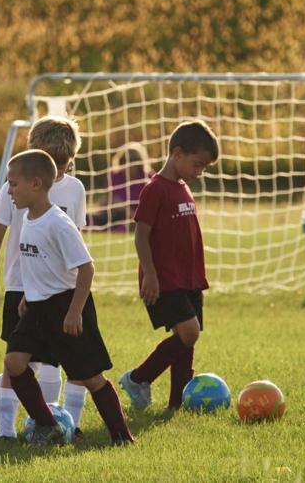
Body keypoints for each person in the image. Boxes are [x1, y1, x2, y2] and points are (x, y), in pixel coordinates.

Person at [0, 150, 134, 445]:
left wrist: (74, 312)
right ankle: (49, 427)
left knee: (90, 376)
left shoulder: (58, 223)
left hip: (67, 306)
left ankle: (122, 437)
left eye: (14, 184)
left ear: (35, 184)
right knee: (14, 362)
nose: (9, 191)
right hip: (36, 307)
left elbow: (86, 269)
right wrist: (28, 297)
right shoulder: (28, 218)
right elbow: (36, 262)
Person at [0, 117, 88, 441]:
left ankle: (54, 424)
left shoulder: (76, 189)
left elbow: (76, 241)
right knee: (17, 361)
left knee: (54, 360)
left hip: (57, 288)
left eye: (65, 165)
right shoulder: (13, 187)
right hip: (20, 285)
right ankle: (5, 431)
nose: (60, 173)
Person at [119, 120, 218, 412]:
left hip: (189, 278)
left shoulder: (184, 188)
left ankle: (177, 403)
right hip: (164, 279)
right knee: (189, 333)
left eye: (204, 168)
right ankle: (138, 378)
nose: (199, 172)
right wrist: (149, 274)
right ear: (177, 153)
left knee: (186, 339)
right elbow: (141, 235)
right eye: (197, 165)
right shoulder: (155, 189)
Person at [89, 142, 151, 231]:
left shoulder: (148, 179)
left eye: (133, 160)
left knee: (121, 228)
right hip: (113, 216)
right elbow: (106, 200)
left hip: (135, 220)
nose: (128, 164)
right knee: (89, 221)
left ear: (140, 162)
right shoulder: (113, 177)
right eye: (124, 160)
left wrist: (125, 208)